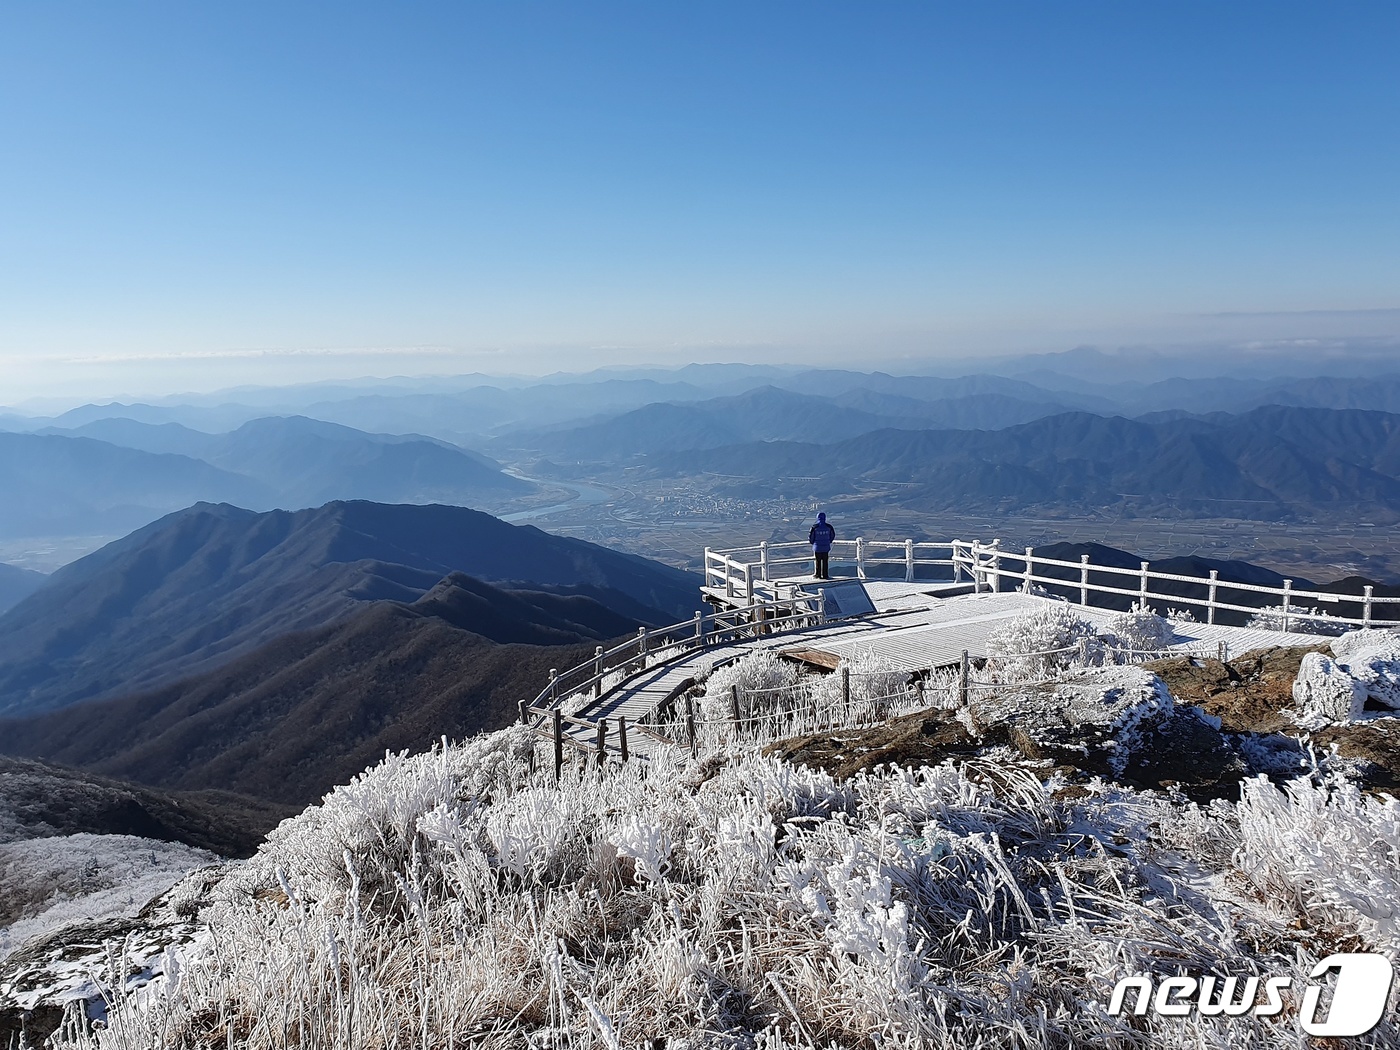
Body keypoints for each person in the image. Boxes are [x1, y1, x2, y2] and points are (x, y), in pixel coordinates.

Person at [808, 511, 835, 579]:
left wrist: (813, 543)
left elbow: (811, 537)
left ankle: (818, 575)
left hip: (817, 547)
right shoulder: (829, 527)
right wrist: (828, 541)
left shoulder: (814, 527)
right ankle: (825, 575)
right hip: (826, 547)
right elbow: (832, 535)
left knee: (818, 561)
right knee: (825, 561)